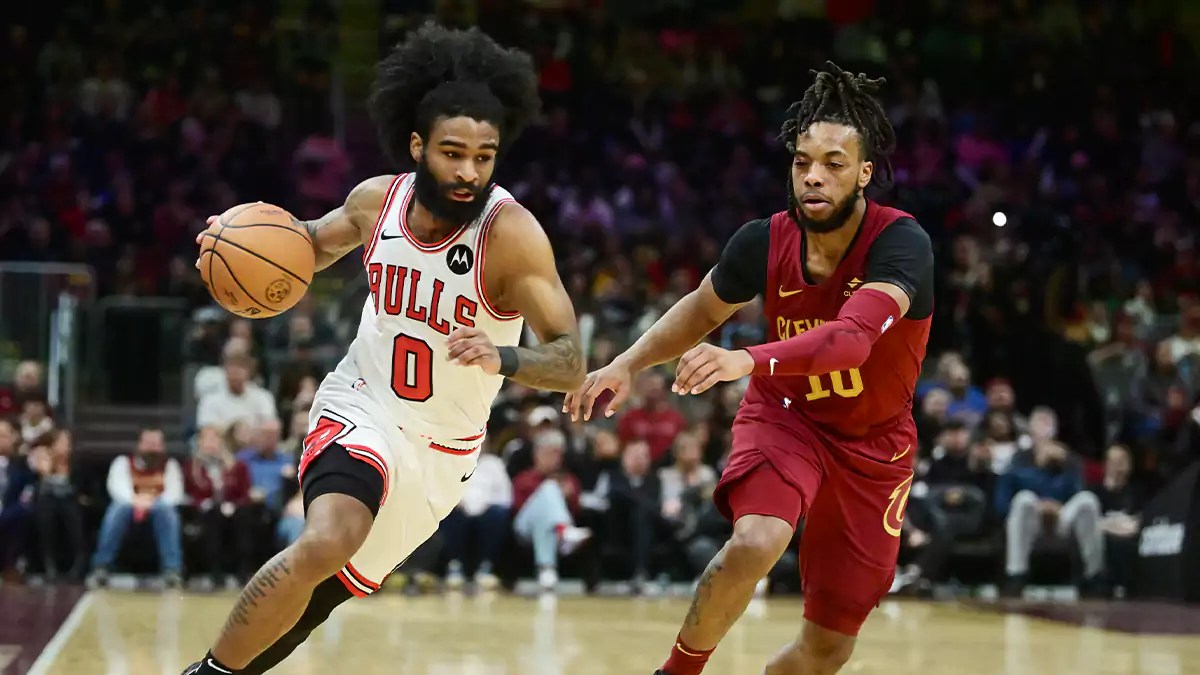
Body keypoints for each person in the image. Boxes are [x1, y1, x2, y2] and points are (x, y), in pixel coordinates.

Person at [183, 23, 584, 675]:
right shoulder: (378, 201)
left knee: (313, 605)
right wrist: (233, 237)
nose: (468, 170)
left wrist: (503, 356)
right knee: (325, 541)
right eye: (453, 152)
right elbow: (304, 245)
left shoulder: (511, 235)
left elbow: (570, 360)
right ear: (418, 145)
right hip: (361, 403)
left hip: (442, 454)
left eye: (484, 156)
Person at [566, 62, 934, 675]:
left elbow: (850, 342)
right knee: (757, 540)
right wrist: (626, 363)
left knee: (827, 649)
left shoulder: (901, 244)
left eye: (834, 164)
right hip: (785, 416)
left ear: (865, 173)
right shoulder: (765, 238)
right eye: (802, 162)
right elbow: (701, 309)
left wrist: (744, 358)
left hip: (875, 446)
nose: (813, 176)